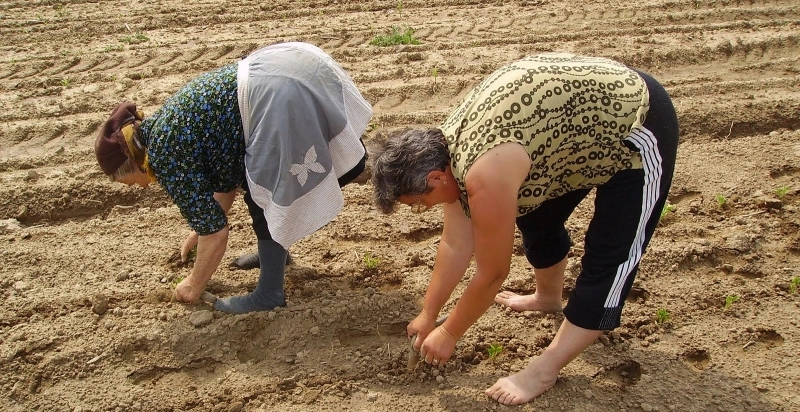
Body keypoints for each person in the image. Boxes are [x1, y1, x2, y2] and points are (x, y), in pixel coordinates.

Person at [370, 52, 678, 405]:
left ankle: (545, 370)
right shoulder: (445, 149)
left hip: (637, 124)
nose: (424, 209)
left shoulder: (485, 173)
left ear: (436, 177)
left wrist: (450, 333)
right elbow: (456, 242)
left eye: (418, 203)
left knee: (610, 259)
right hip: (572, 130)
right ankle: (548, 298)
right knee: (534, 212)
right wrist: (428, 315)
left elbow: (492, 274)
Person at [94, 42, 372, 314]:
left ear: (129, 165)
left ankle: (269, 294)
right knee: (262, 183)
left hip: (278, 98)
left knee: (265, 192)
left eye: (126, 181)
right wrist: (199, 228)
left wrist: (193, 284)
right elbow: (224, 179)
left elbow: (216, 234)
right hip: (287, 68)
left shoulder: (165, 157)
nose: (136, 186)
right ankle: (275, 256)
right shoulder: (162, 131)